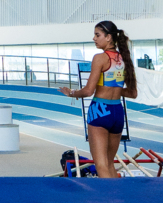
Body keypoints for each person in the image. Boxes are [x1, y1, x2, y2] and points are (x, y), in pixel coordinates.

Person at [59, 20, 138, 179]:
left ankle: (108, 195)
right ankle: (117, 194)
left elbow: (88, 91)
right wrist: (112, 89)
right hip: (117, 112)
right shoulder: (124, 59)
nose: (94, 38)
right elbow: (132, 93)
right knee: (109, 164)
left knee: (100, 165)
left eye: (97, 35)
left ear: (108, 37)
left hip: (100, 111)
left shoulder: (100, 58)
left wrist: (71, 93)